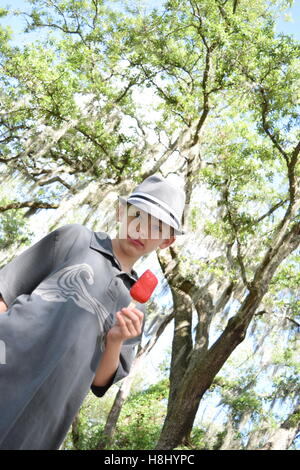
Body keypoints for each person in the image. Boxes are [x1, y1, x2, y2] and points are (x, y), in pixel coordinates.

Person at [0, 173, 186, 450]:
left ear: (166, 242)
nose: (142, 231)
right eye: (139, 216)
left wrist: (115, 341)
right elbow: (6, 291)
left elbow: (100, 382)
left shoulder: (136, 306)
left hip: (44, 418)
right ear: (121, 212)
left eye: (157, 227)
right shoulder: (75, 238)